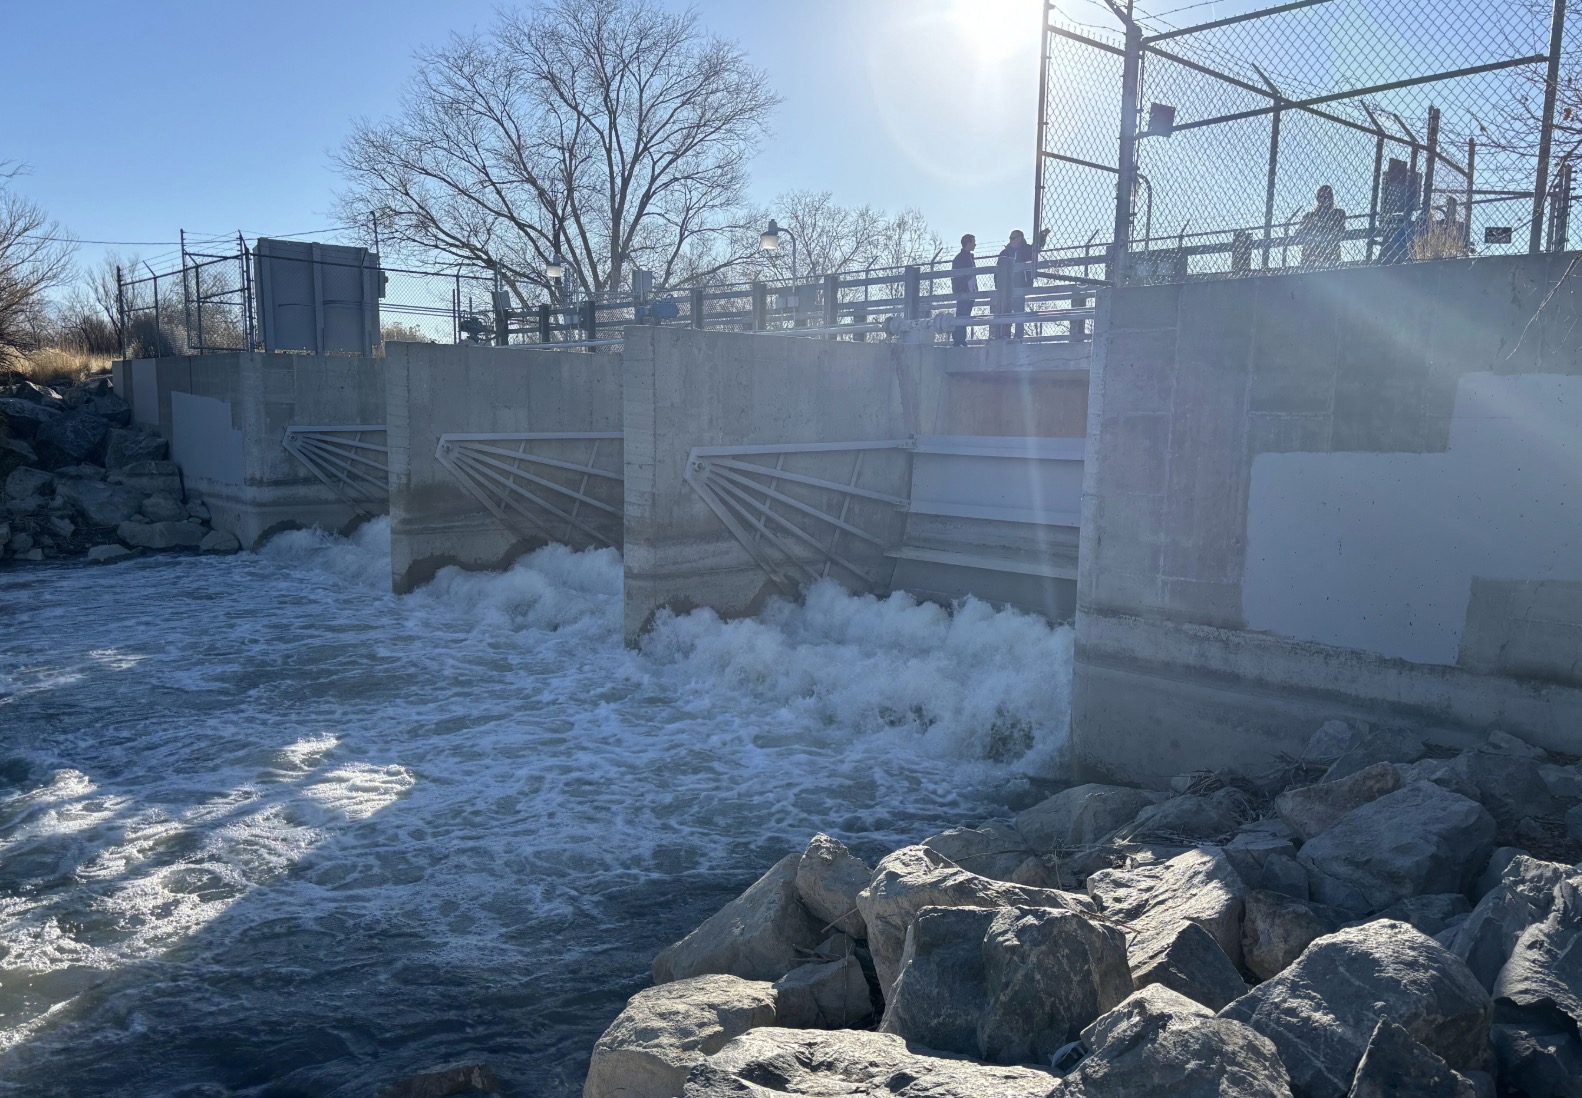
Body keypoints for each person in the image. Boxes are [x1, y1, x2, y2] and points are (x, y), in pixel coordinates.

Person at [995, 229, 1035, 338]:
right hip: (1006, 288)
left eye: (1013, 238)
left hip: (1020, 286)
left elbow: (1036, 247)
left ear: (1020, 238)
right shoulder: (1005, 253)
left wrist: (1042, 236)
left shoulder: (1026, 250)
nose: (1011, 240)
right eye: (1010, 238)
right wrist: (998, 287)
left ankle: (1018, 337)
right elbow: (997, 272)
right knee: (1005, 312)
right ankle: (1005, 336)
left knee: (1019, 312)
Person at [1296, 185, 1346, 268]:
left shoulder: (1338, 213)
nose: (1323, 200)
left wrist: (1314, 224)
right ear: (1317, 198)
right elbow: (1298, 233)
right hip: (1310, 258)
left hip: (1331, 256)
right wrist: (1307, 225)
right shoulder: (1309, 216)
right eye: (1320, 197)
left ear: (1331, 198)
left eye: (1326, 197)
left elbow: (1339, 229)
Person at [950, 234, 977, 347]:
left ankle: (961, 339)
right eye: (973, 242)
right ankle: (958, 339)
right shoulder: (960, 258)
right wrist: (960, 289)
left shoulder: (968, 257)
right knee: (962, 314)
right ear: (968, 243)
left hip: (970, 291)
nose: (975, 244)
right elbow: (956, 276)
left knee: (965, 315)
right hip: (964, 291)